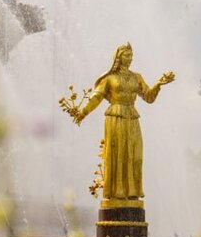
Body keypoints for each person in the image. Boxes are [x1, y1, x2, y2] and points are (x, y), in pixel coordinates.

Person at [66, 43, 175, 202]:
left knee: (135, 155)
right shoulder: (109, 78)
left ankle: (132, 191)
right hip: (115, 116)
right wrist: (83, 112)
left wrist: (158, 84)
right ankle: (116, 192)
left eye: (131, 56)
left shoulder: (136, 77)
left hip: (132, 117)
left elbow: (148, 97)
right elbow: (97, 97)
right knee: (118, 153)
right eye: (126, 55)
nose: (130, 58)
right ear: (118, 57)